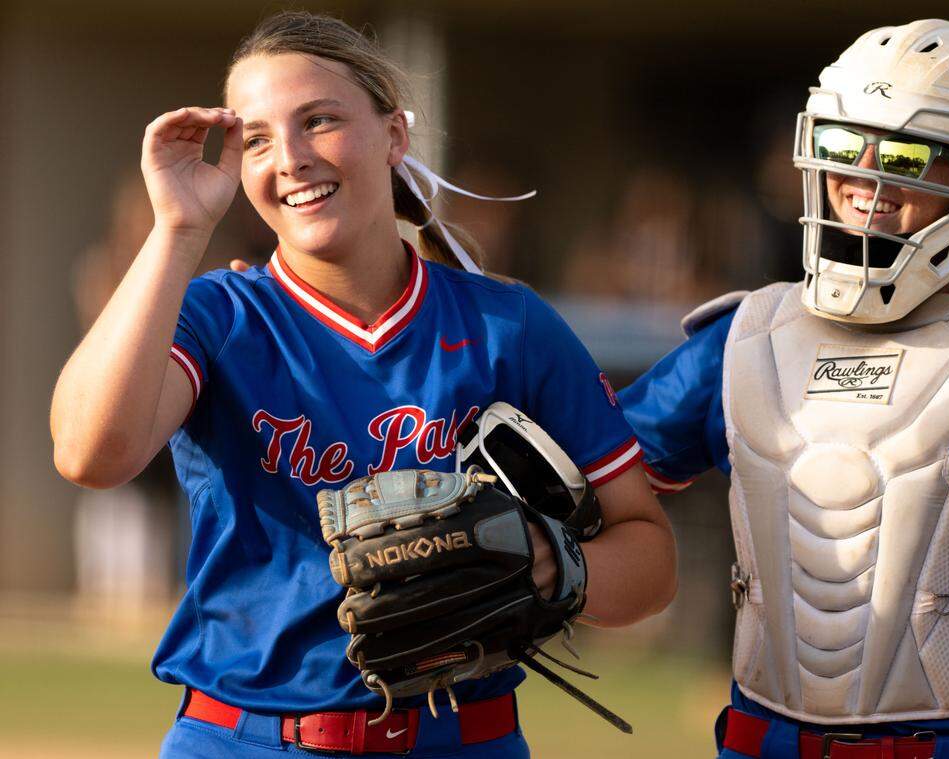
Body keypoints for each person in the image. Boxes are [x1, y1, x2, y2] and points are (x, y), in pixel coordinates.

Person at [50, 11, 676, 758]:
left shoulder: (508, 324)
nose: (290, 158)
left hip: (461, 738)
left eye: (319, 121)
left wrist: (545, 559)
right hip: (244, 739)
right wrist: (176, 232)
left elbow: (650, 559)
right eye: (256, 138)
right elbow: (91, 454)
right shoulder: (220, 315)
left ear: (395, 135)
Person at [619, 19, 949, 759]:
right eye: (838, 147)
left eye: (904, 156)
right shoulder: (745, 340)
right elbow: (585, 484)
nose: (865, 181)